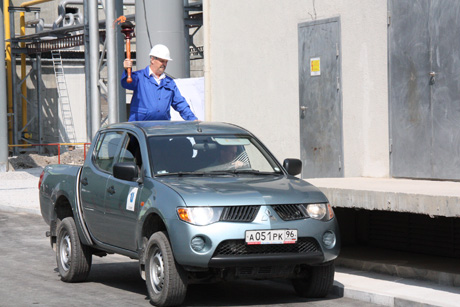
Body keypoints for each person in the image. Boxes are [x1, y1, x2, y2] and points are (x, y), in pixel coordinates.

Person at [121, 44, 198, 121]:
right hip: (141, 127)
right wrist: (127, 70)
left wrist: (192, 119)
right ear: (152, 59)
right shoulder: (140, 77)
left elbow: (180, 103)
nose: (164, 64)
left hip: (161, 128)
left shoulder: (169, 82)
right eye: (162, 61)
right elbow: (126, 83)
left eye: (166, 62)